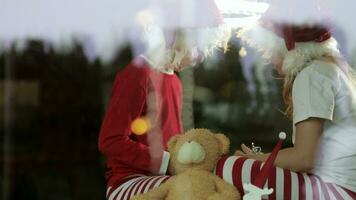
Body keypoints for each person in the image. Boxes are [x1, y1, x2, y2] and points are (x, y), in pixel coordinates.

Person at [215, 0, 356, 199]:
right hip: (345, 186)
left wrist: (255, 159)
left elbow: (305, 158)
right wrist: (261, 159)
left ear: (287, 47)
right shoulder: (329, 69)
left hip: (337, 191)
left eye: (269, 51)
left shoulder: (311, 75)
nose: (270, 60)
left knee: (227, 167)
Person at [98, 1, 230, 199]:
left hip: (164, 179)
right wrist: (168, 162)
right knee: (191, 189)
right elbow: (110, 141)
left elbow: (172, 143)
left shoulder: (174, 81)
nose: (201, 57)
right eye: (199, 47)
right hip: (127, 182)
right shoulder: (137, 74)